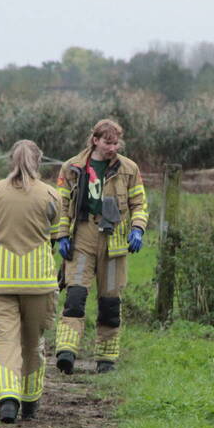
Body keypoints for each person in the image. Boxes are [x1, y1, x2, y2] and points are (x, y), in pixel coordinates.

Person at [0, 140, 62, 423]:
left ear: (11, 160)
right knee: (33, 343)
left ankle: (7, 399)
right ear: (40, 160)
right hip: (40, 283)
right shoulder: (51, 195)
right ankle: (30, 400)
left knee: (5, 341)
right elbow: (56, 238)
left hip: (0, 282)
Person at [54, 119, 148, 374]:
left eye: (116, 142)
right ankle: (66, 351)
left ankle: (106, 359)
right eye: (108, 142)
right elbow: (62, 206)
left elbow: (139, 203)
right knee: (75, 296)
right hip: (83, 235)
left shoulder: (129, 168)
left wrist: (137, 229)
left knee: (110, 302)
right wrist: (62, 235)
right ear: (95, 140)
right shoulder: (72, 167)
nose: (112, 148)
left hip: (114, 241)